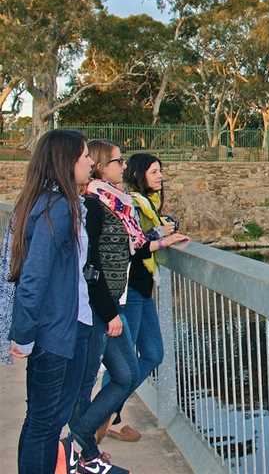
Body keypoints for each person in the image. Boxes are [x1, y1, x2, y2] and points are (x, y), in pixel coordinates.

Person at [68, 141, 187, 473]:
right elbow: (94, 265)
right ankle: (83, 440)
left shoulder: (113, 203)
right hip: (109, 303)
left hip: (117, 299)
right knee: (108, 375)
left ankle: (85, 440)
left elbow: (132, 241)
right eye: (117, 161)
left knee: (131, 367)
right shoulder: (95, 205)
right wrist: (109, 312)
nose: (123, 166)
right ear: (102, 168)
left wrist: (161, 237)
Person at [7, 130, 94, 474]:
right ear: (66, 161)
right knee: (44, 424)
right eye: (85, 155)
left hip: (67, 328)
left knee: (46, 421)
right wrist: (24, 334)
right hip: (56, 335)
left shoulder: (55, 203)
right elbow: (34, 276)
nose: (90, 162)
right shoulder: (57, 207)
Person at [102, 152, 183, 440]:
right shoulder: (133, 203)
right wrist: (163, 237)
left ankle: (106, 413)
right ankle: (105, 417)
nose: (160, 176)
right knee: (123, 361)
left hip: (143, 289)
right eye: (153, 171)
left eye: (161, 170)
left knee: (152, 354)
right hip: (131, 290)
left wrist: (164, 228)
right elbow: (133, 244)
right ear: (139, 175)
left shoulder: (146, 204)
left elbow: (144, 234)